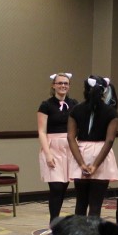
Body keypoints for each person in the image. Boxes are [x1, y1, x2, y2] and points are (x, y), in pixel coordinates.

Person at [67, 75, 118, 217]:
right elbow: (109, 140)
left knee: (80, 204)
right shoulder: (111, 112)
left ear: (85, 90)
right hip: (101, 154)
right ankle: (93, 232)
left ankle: (78, 231)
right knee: (95, 206)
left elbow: (71, 137)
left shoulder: (76, 110)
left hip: (81, 152)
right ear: (104, 91)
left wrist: (81, 163)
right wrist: (95, 165)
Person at [37, 72, 77, 224]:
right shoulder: (46, 105)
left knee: (63, 187)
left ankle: (57, 222)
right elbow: (42, 131)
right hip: (52, 147)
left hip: (69, 147)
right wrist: (47, 154)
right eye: (60, 83)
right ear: (53, 85)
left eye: (66, 83)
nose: (63, 86)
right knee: (56, 187)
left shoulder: (74, 104)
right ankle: (53, 222)